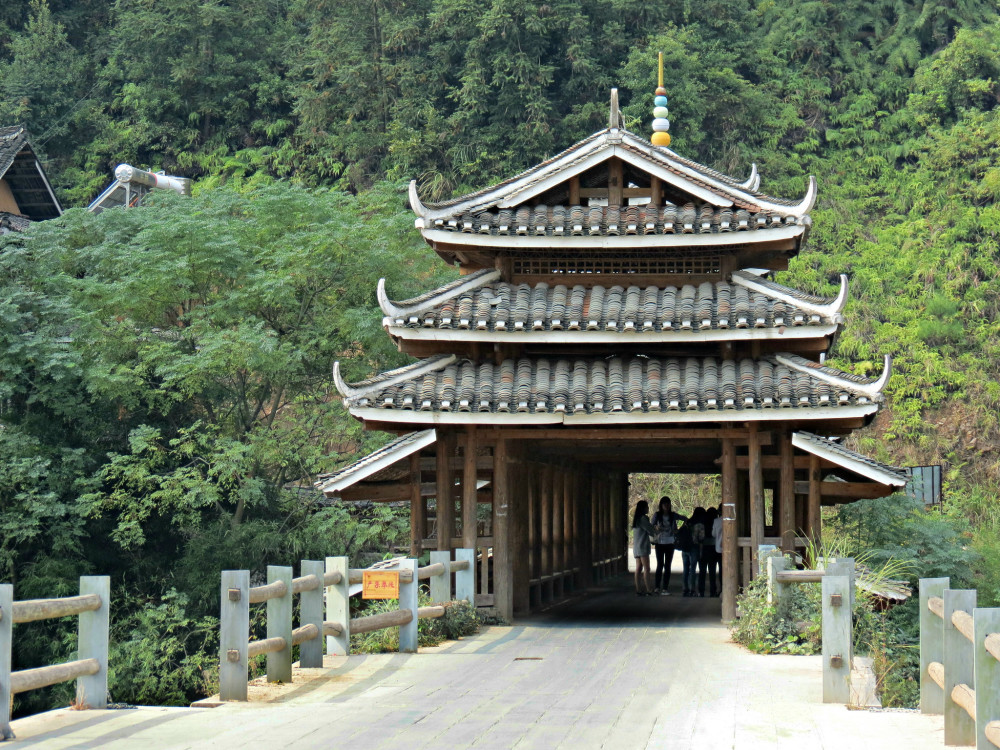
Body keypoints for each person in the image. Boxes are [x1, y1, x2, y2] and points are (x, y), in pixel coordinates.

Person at [651, 496, 687, 595]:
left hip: (670, 542)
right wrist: (656, 527)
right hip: (660, 542)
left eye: (668, 504)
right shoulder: (657, 515)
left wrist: (679, 530)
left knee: (667, 566)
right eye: (664, 504)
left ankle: (665, 588)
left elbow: (685, 519)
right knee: (660, 565)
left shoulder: (673, 515)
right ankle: (657, 587)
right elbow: (651, 526)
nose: (666, 506)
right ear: (661, 505)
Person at [678, 507, 706, 597]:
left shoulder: (688, 522)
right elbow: (701, 539)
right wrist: (701, 552)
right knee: (692, 569)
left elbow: (680, 532)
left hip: (685, 548)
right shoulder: (700, 525)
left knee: (686, 569)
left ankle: (684, 589)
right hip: (694, 548)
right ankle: (692, 589)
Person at [631, 500, 657, 596]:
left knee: (638, 568)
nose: (648, 508)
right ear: (643, 508)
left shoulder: (636, 519)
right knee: (647, 568)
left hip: (636, 546)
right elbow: (650, 530)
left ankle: (638, 589)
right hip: (642, 547)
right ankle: (649, 589)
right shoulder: (643, 519)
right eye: (647, 507)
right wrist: (656, 530)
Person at [698, 507, 719, 597]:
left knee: (702, 572)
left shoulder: (703, 523)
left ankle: (701, 591)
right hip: (713, 548)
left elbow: (701, 538)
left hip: (704, 548)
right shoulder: (715, 522)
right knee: (712, 572)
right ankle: (712, 591)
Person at [711, 504, 723, 597]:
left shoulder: (716, 521)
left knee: (720, 569)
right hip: (731, 550)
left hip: (719, 548)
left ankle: (720, 588)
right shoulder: (734, 521)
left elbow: (713, 534)